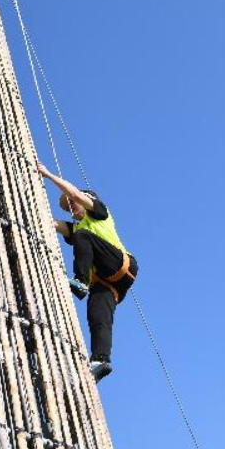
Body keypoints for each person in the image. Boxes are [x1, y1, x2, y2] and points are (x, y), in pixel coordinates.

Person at [37, 163, 138, 382]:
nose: (71, 206)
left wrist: (47, 174)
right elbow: (50, 223)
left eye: (74, 202)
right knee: (97, 315)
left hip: (121, 265)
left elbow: (74, 193)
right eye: (69, 205)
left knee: (82, 236)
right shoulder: (78, 228)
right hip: (108, 283)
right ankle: (101, 360)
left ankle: (81, 281)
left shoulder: (99, 212)